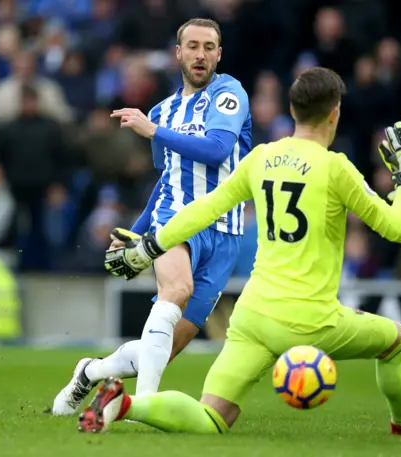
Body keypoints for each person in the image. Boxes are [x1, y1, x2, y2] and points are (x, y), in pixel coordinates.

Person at [84, 67, 401, 437]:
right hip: (310, 320)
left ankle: (126, 404)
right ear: (335, 112)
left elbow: (204, 208)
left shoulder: (262, 157)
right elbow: (399, 229)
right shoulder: (336, 169)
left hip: (252, 315)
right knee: (398, 340)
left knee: (212, 415)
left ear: (292, 111)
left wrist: (153, 244)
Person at [52, 18, 252, 415]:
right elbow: (166, 182)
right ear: (178, 53)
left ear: (219, 54)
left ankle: (91, 371)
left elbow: (216, 150)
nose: (200, 54)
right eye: (192, 46)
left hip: (226, 233)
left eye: (209, 47)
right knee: (174, 292)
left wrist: (153, 130)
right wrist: (135, 233)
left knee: (164, 347)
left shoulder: (230, 93)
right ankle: (142, 406)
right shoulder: (163, 110)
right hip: (177, 218)